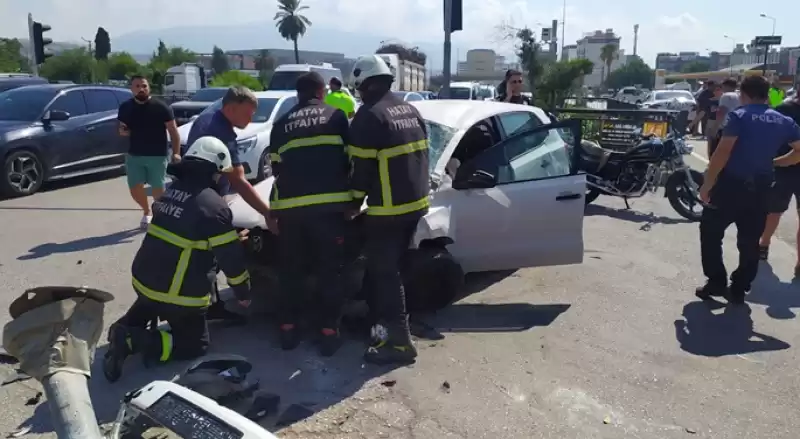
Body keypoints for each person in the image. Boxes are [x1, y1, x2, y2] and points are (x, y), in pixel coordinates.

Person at [103, 136, 252, 382]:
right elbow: (231, 261)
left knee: (150, 303)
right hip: (177, 294)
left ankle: (126, 326)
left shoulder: (170, 193)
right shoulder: (214, 207)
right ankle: (136, 340)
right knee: (196, 346)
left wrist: (226, 235)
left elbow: (188, 232)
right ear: (213, 170)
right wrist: (243, 294)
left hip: (144, 281)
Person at [348, 55, 430, 365]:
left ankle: (399, 343)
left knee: (384, 273)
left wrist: (353, 203)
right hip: (416, 204)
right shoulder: (409, 109)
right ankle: (388, 326)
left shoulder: (370, 115)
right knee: (392, 268)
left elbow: (361, 168)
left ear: (363, 83)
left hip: (390, 208)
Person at [268, 72, 352, 356]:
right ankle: (328, 331)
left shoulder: (280, 125)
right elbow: (351, 159)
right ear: (321, 91)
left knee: (291, 271)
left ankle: (289, 329)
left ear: (298, 94)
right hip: (330, 210)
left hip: (292, 211)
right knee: (329, 271)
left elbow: (277, 169)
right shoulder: (337, 117)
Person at [696, 75, 800, 304]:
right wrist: (776, 162)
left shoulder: (739, 116)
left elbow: (723, 152)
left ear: (743, 94)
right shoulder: (783, 120)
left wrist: (707, 183)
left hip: (730, 186)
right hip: (762, 189)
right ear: (766, 94)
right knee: (750, 240)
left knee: (711, 232)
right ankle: (740, 287)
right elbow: (799, 151)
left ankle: (716, 281)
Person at [186, 86, 276, 229]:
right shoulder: (223, 134)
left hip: (185, 195)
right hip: (206, 202)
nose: (250, 119)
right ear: (230, 109)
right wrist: (267, 213)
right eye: (247, 114)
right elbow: (238, 181)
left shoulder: (204, 119)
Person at [118, 75, 182, 228]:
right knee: (135, 187)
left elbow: (173, 131)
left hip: (157, 154)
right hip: (135, 154)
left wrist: (176, 152)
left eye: (144, 86)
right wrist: (124, 131)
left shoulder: (161, 107)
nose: (141, 89)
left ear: (149, 88)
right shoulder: (126, 107)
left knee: (158, 188)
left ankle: (159, 214)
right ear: (132, 89)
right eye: (137, 86)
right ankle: (147, 211)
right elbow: (122, 130)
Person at [759, 90, 800, 274]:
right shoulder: (784, 109)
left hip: (785, 165)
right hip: (783, 167)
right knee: (774, 211)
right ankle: (764, 243)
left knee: (774, 211)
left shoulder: (783, 108)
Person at [708, 78, 740, 157]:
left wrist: (715, 128)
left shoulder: (725, 96)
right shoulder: (740, 95)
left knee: (717, 151)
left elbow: (721, 112)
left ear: (726, 86)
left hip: (726, 127)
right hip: (739, 127)